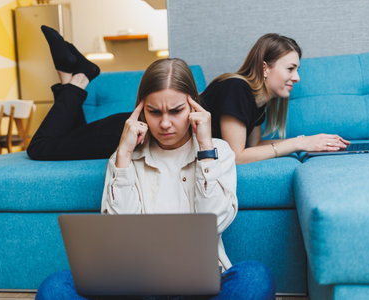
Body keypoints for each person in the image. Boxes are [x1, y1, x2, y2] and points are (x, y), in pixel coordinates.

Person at [35, 58, 276, 300]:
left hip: (198, 287)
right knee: (55, 286)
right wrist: (124, 157)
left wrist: (204, 148)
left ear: (194, 108)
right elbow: (120, 233)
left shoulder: (217, 152)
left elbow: (216, 222)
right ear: (140, 110)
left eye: (176, 111)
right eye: (154, 112)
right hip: (135, 286)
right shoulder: (122, 159)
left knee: (255, 276)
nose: (165, 123)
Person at [200, 33, 350, 164]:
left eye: (297, 70)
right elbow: (236, 156)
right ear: (264, 68)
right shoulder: (236, 88)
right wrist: (299, 143)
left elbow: (254, 146)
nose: (297, 78)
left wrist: (310, 142)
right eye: (290, 69)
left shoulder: (257, 99)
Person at [27, 25, 131, 160]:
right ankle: (77, 78)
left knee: (43, 146)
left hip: (132, 126)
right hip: (133, 128)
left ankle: (72, 79)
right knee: (42, 147)